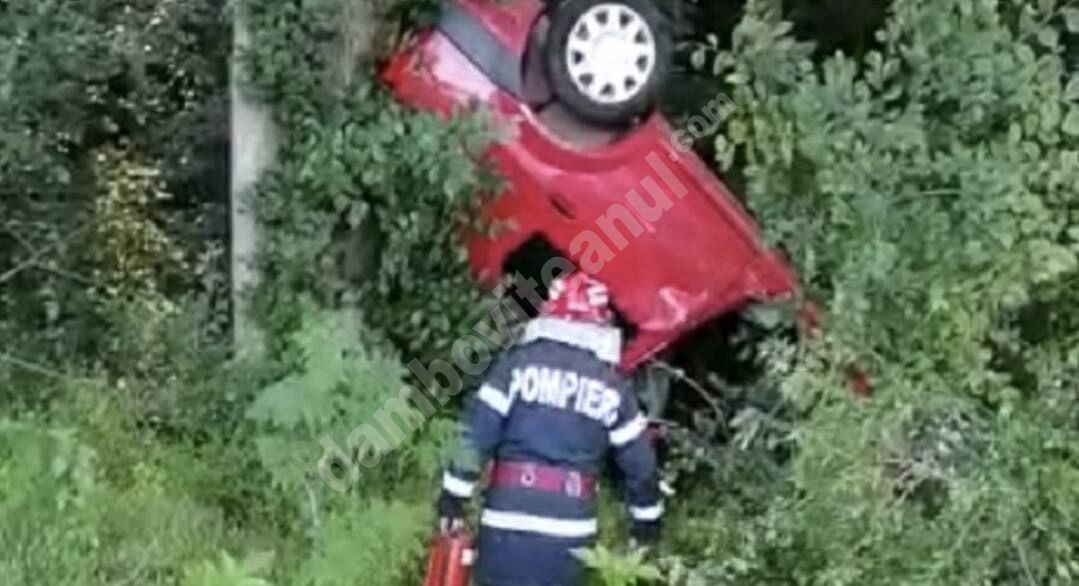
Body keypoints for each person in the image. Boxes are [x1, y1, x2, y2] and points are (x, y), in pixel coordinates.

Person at [436, 271, 664, 586]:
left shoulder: (516, 365)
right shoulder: (612, 386)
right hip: (569, 530)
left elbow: (476, 433)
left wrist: (453, 499)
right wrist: (646, 526)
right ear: (600, 325)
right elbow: (640, 464)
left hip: (506, 518)